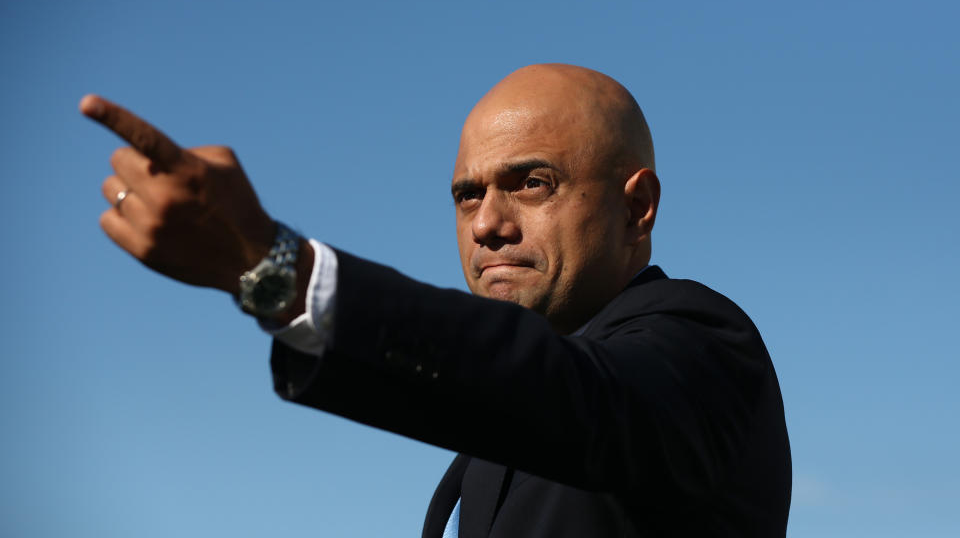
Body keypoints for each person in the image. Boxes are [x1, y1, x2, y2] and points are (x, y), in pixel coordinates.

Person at [83, 63, 791, 537]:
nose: (486, 223)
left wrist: (276, 268)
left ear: (636, 209)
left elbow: (578, 401)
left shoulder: (704, 346)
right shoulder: (493, 441)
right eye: (467, 195)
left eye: (532, 182)